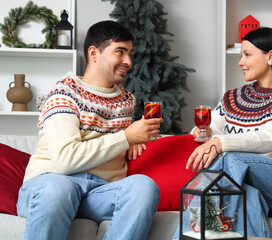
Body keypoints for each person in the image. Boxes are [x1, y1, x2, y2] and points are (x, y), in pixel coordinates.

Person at [16, 20, 163, 240]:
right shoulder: (64, 93)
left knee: (144, 187)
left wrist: (135, 139)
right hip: (50, 185)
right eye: (120, 52)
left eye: (130, 53)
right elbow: (66, 160)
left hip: (99, 193)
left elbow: (117, 141)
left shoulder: (126, 100)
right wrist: (126, 137)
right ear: (94, 53)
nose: (128, 61)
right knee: (59, 189)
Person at [173, 27, 272, 238]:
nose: (240, 62)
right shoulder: (233, 97)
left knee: (230, 159)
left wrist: (219, 143)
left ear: (270, 56)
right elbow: (213, 128)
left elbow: (269, 137)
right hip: (248, 183)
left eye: (247, 55)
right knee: (247, 197)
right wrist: (203, 132)